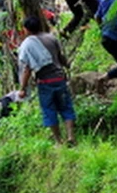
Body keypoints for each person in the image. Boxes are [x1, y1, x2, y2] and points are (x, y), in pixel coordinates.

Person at [16, 14, 76, 144]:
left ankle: (58, 141)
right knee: (66, 107)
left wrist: (22, 88)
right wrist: (67, 66)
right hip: (59, 79)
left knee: (49, 111)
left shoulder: (27, 45)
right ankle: (71, 136)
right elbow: (61, 57)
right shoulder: (51, 38)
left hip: (45, 82)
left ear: (27, 29)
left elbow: (27, 69)